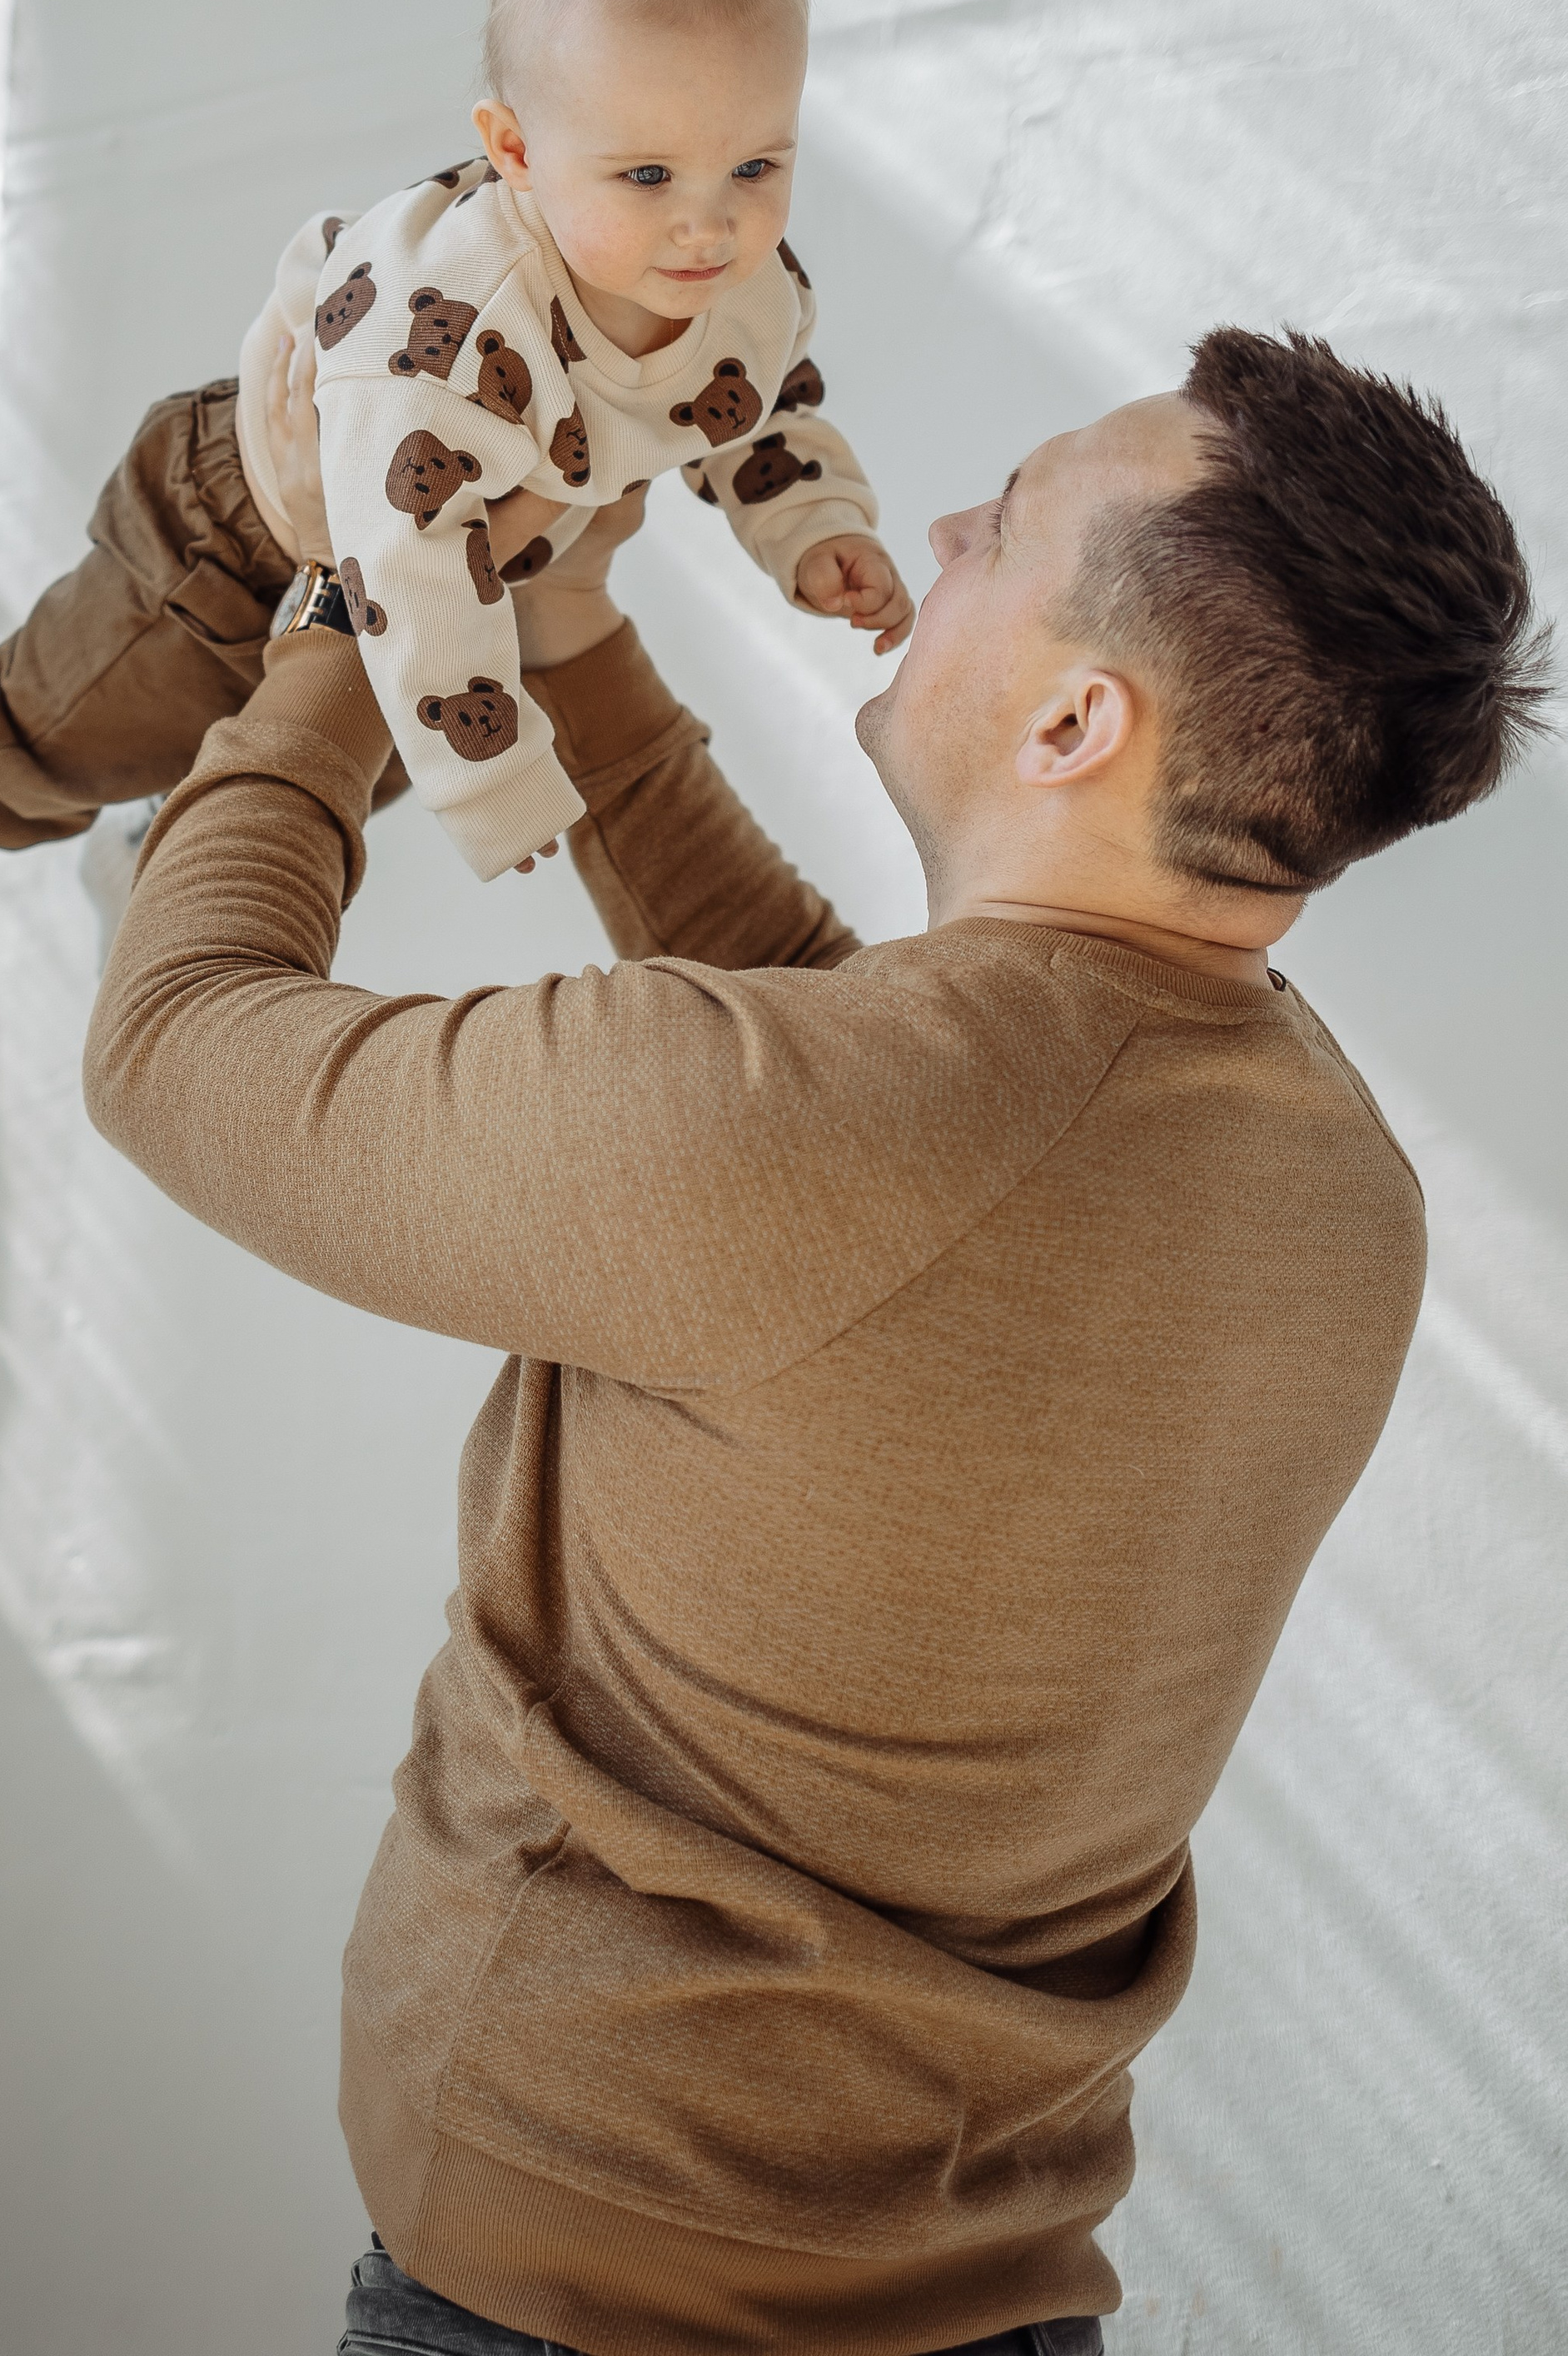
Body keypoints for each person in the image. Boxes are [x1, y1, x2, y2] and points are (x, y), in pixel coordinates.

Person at [81, 325, 1546, 2356]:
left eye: (1006, 518)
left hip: (573, 2295)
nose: (940, 521)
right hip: (986, 2294)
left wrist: (348, 606)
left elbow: (171, 1042)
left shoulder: (815, 1137)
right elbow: (838, 1104)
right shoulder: (1327, 1183)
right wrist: (572, 636)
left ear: (1072, 724)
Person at [0, 0, 911, 1034]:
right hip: (240, 527)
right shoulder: (458, 317)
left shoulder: (746, 290)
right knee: (70, 731)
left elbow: (758, 405)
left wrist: (815, 528)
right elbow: (399, 566)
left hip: (457, 583)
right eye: (647, 173)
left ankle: (155, 839)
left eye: (758, 162)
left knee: (343, 761)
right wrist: (495, 777)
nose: (711, 220)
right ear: (515, 151)